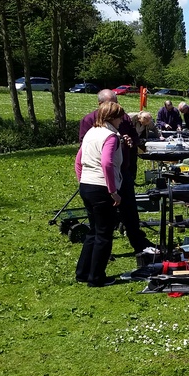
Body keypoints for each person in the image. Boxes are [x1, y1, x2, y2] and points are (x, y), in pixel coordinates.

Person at [80, 90, 155, 255]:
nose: (116, 106)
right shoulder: (89, 120)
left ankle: (138, 242)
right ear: (101, 105)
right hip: (101, 177)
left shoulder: (124, 117)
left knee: (130, 210)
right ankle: (100, 252)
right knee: (102, 221)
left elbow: (135, 139)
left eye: (116, 102)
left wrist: (128, 142)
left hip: (123, 171)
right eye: (111, 103)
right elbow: (86, 150)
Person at [75, 101, 126, 287]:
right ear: (112, 118)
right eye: (120, 116)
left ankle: (82, 272)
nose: (122, 120)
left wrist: (82, 179)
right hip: (101, 188)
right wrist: (113, 191)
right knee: (104, 234)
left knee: (93, 231)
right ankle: (96, 277)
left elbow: (78, 160)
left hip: (87, 185)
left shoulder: (91, 132)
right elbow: (107, 163)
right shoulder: (110, 136)